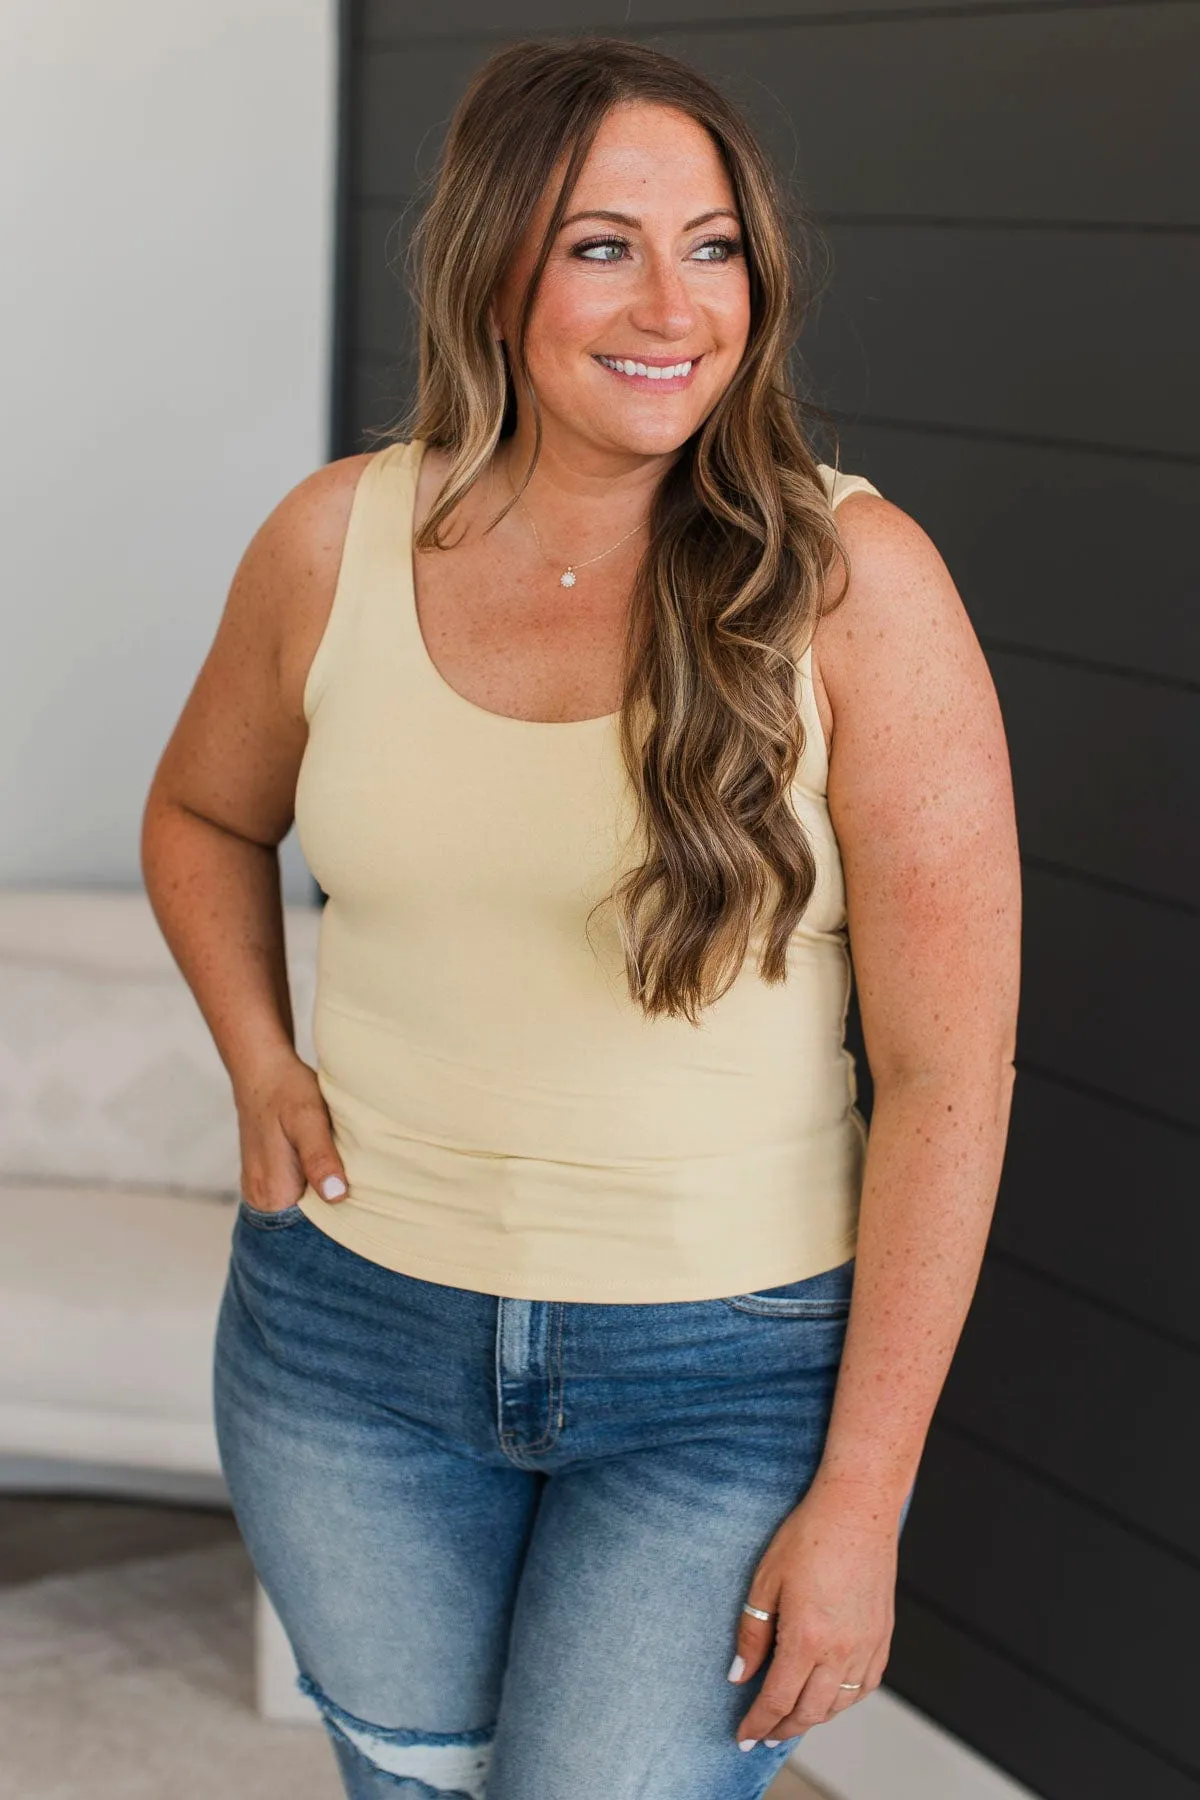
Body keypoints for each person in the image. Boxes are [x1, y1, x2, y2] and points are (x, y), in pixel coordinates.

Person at [141, 34, 1020, 1800]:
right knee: (411, 1783)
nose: (676, 302)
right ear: (495, 265)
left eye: (714, 245)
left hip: (729, 1379)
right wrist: (257, 1053)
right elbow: (201, 813)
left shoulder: (856, 584)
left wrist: (861, 1499)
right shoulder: (335, 543)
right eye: (603, 242)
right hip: (349, 1343)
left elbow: (947, 1071)